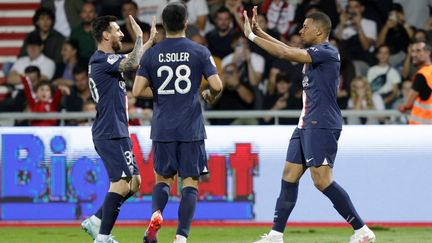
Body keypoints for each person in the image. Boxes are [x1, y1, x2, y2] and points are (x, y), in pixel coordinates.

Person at [242, 7, 376, 243]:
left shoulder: (327, 51)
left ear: (319, 30)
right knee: (289, 175)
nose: (301, 30)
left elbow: (285, 54)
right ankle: (275, 235)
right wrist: (260, 31)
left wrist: (252, 38)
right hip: (306, 123)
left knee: (322, 181)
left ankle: (362, 231)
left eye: (305, 26)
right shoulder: (316, 52)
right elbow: (288, 50)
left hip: (321, 123)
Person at [132, 3, 223, 243]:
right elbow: (217, 86)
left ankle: (156, 218)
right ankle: (181, 237)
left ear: (163, 24)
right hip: (190, 128)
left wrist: (164, 92)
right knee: (190, 183)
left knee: (163, 180)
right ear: (186, 23)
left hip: (163, 128)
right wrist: (205, 95)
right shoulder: (200, 51)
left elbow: (137, 90)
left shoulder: (152, 53)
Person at [80, 15, 156, 243]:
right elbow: (132, 63)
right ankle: (102, 238)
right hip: (109, 131)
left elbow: (132, 58)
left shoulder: (108, 60)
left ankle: (95, 221)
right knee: (122, 183)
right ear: (105, 35)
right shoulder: (100, 60)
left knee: (134, 183)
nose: (122, 34)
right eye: (117, 30)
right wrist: (140, 36)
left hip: (119, 130)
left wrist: (149, 42)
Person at [399, 40, 432, 124]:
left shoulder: (422, 75)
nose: (414, 55)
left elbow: (407, 104)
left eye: (418, 51)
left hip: (422, 128)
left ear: (428, 52)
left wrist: (403, 107)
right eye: (412, 51)